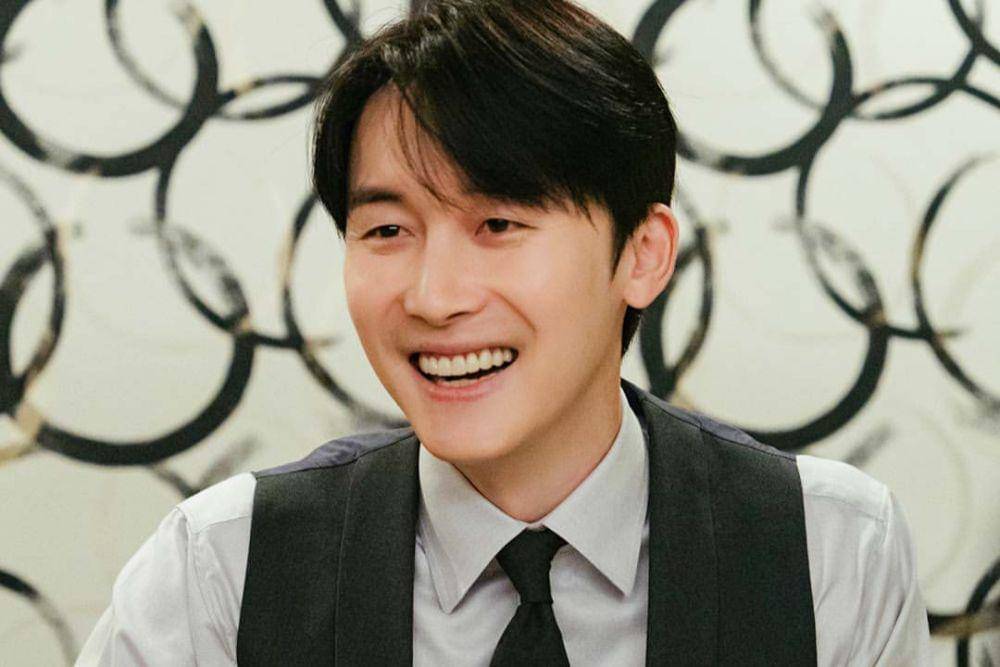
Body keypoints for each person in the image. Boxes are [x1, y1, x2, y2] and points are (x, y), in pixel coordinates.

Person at [77, 0, 932, 664]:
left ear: (642, 254)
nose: (434, 296)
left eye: (499, 224)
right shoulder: (220, 570)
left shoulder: (831, 551)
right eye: (387, 229)